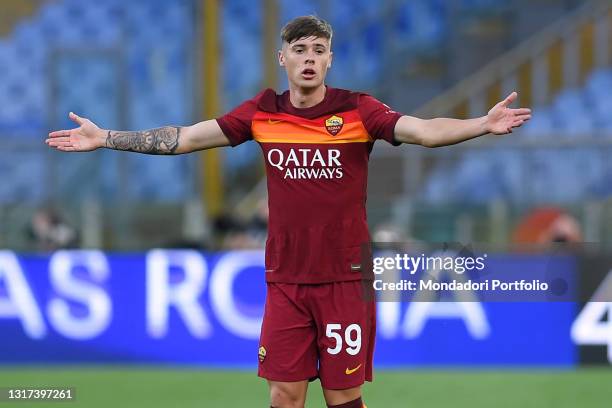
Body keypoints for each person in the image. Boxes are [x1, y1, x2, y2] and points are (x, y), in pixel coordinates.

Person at [46, 15, 531, 408]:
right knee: (283, 395)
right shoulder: (263, 112)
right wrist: (106, 137)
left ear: (329, 60)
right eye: (300, 50)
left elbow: (423, 131)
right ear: (283, 59)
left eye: (318, 51)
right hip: (286, 280)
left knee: (342, 396)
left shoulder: (358, 111)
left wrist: (481, 125)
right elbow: (187, 138)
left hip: (344, 276)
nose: (309, 59)